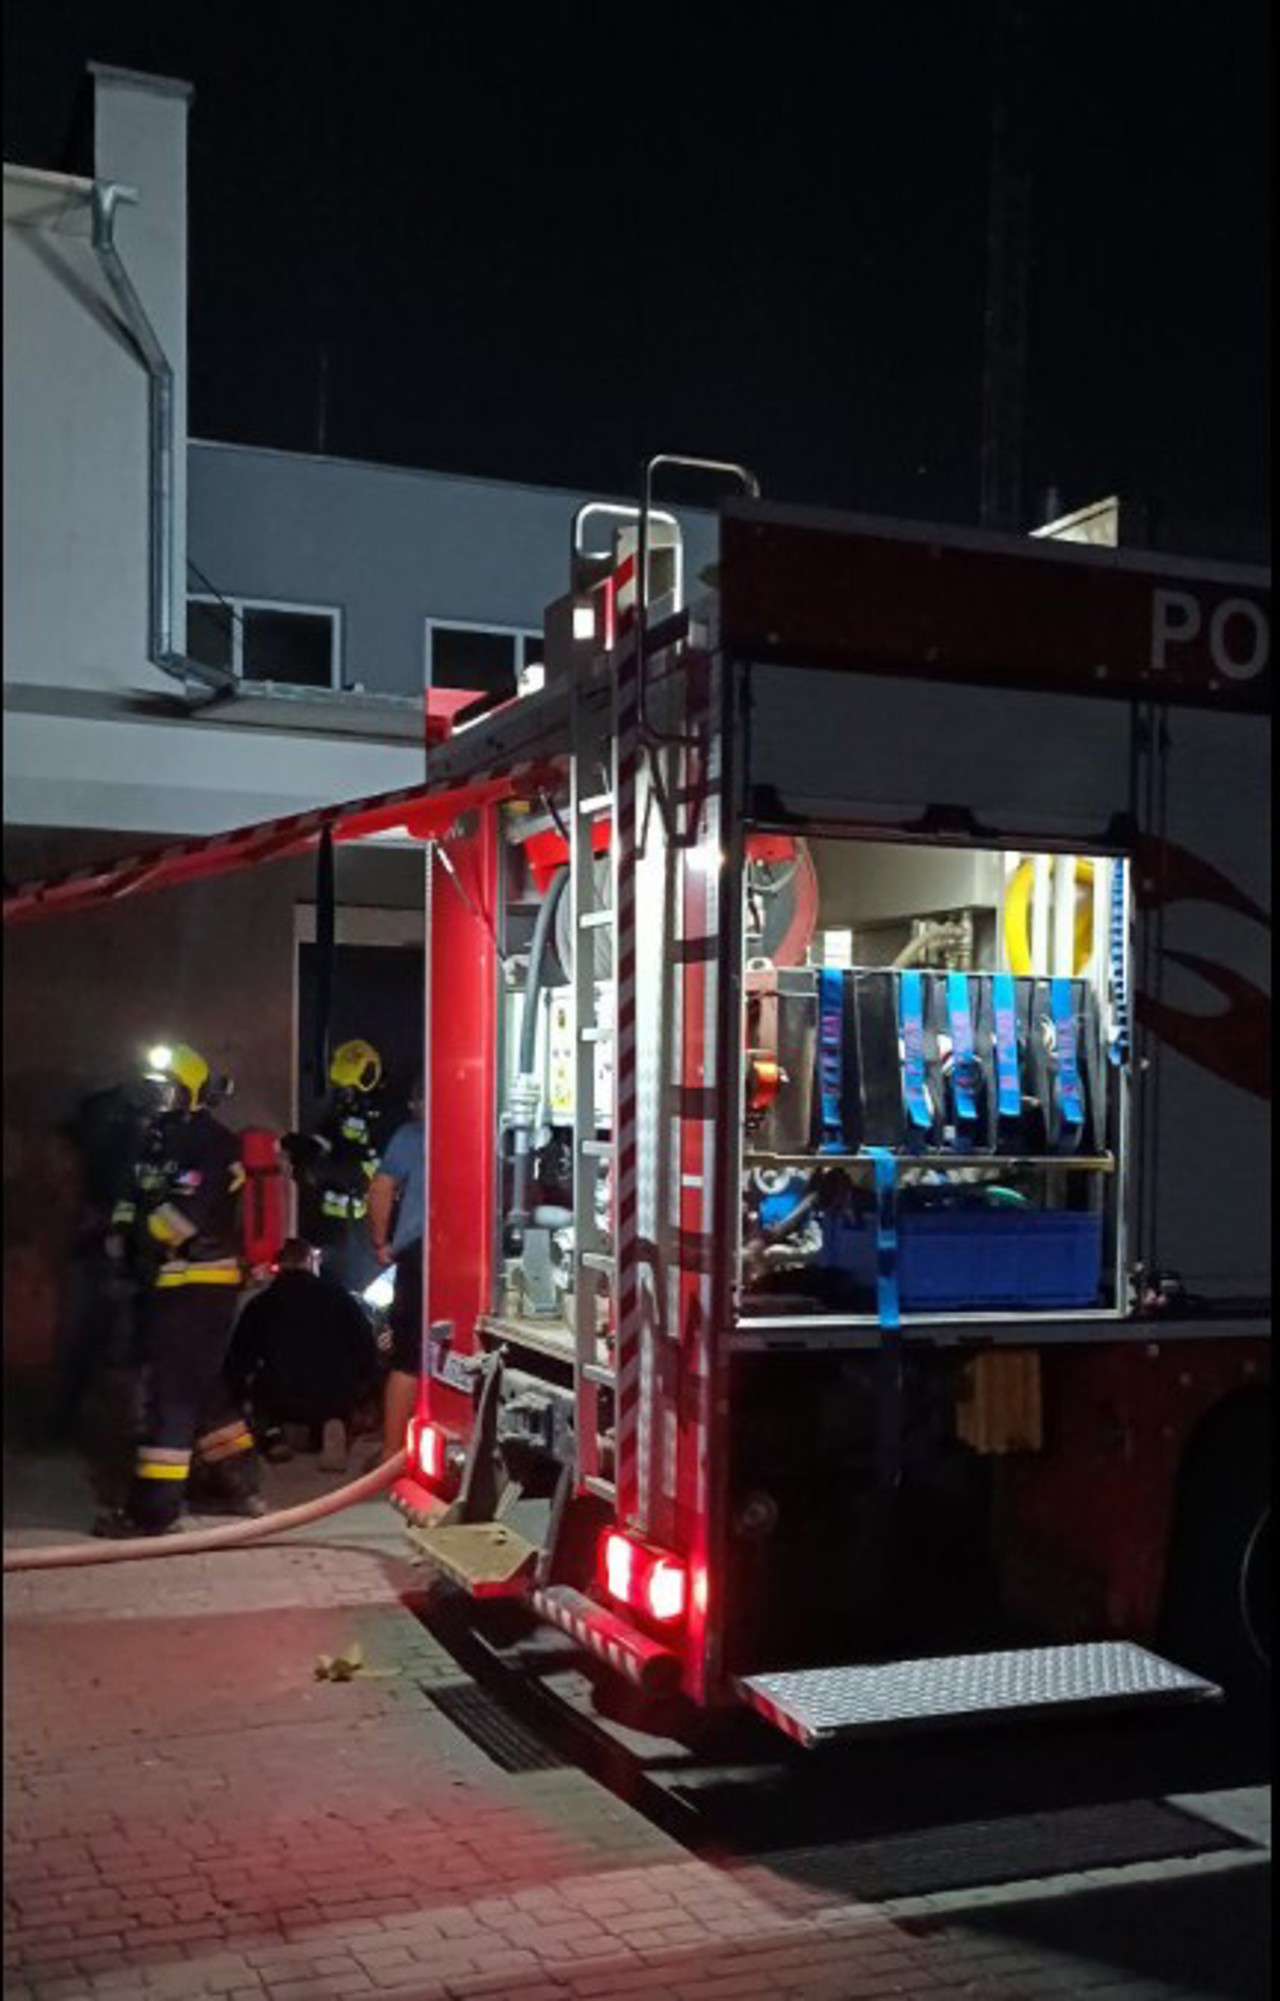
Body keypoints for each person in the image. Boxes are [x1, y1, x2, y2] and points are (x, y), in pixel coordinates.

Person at [95, 1042, 264, 1537]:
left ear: (191, 1092)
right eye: (153, 1090)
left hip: (198, 1286)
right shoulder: (156, 1140)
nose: (157, 1099)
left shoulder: (212, 1144)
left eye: (167, 1090)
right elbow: (135, 1199)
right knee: (202, 1389)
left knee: (170, 1397)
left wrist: (139, 1239)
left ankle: (152, 1512)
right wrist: (120, 1234)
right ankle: (237, 1484)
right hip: (166, 1286)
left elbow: (186, 1215)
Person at [225, 1237, 377, 1471]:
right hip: (333, 1392)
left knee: (262, 1388)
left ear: (280, 1265)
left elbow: (240, 1357)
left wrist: (236, 1396)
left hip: (281, 1393)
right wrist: (361, 1388)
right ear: (309, 1261)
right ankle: (332, 1425)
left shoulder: (261, 1304)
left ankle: (273, 1436)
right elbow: (365, 1343)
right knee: (331, 1394)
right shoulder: (339, 1297)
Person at [280, 1038, 387, 1295]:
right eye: (339, 1089)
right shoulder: (341, 1112)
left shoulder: (383, 1119)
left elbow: (368, 1174)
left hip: (361, 1240)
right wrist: (294, 1145)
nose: (342, 1096)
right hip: (328, 1231)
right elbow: (322, 1141)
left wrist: (320, 1170)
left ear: (365, 1081)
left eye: (346, 1090)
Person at [366, 1077, 425, 1462]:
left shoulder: (411, 1135)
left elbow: (381, 1188)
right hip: (473, 1258)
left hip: (420, 1253)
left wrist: (380, 1243)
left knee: (407, 1358)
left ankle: (391, 1455)